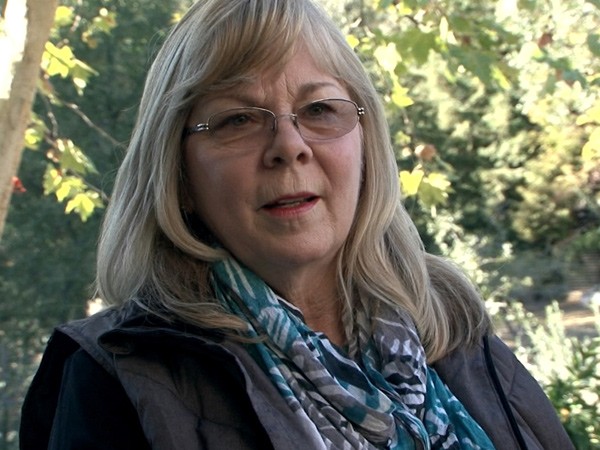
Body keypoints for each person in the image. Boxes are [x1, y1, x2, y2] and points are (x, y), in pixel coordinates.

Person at [20, 0, 573, 449]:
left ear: (366, 145)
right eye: (238, 119)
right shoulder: (118, 378)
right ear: (178, 175)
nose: (289, 146)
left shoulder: (452, 327)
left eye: (319, 110)